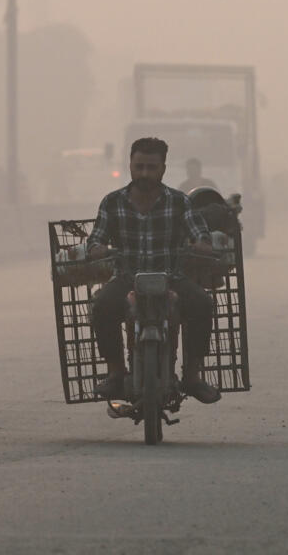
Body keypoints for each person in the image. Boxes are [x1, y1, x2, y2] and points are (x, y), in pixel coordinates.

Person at [85, 137, 221, 404]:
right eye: (139, 167)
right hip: (127, 278)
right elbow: (96, 239)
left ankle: (192, 376)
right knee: (101, 306)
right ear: (130, 166)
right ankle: (115, 372)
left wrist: (203, 244)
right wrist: (97, 248)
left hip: (172, 277)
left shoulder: (180, 201)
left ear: (163, 169)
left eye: (151, 167)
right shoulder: (112, 202)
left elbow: (200, 234)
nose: (144, 173)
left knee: (203, 304)